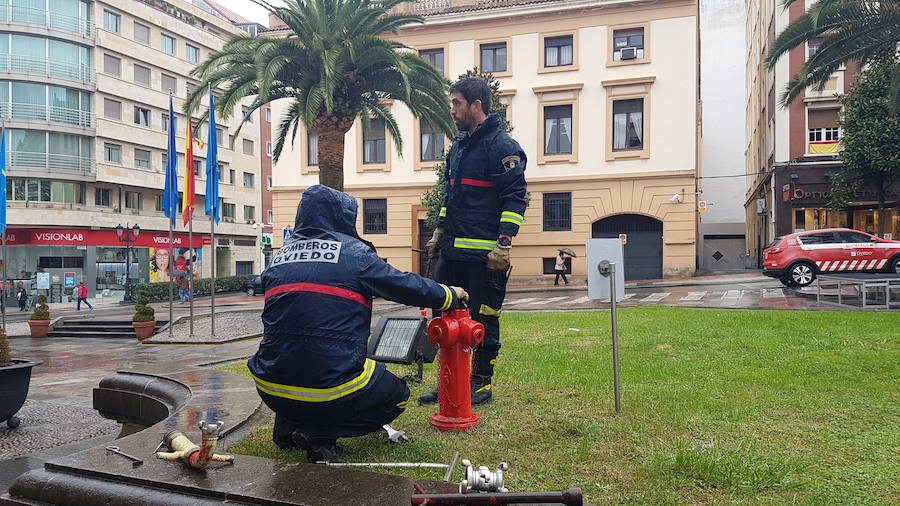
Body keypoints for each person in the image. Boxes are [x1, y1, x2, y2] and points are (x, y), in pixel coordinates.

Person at [247, 185, 469, 462]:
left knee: (295, 361)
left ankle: (288, 430)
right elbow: (404, 285)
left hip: (269, 385)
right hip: (329, 387)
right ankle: (320, 435)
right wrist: (449, 294)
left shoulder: (280, 256)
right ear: (342, 218)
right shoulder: (354, 254)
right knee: (397, 394)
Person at [418, 77, 528, 407]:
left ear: (476, 105)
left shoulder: (503, 147)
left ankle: (480, 382)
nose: (452, 109)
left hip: (485, 256)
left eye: (456, 103)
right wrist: (439, 232)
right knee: (446, 319)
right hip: (451, 252)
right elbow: (451, 196)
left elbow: (515, 198)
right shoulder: (460, 146)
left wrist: (504, 244)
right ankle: (450, 380)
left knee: (483, 318)